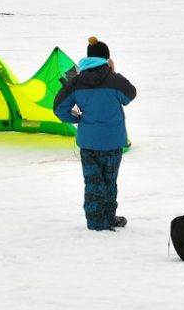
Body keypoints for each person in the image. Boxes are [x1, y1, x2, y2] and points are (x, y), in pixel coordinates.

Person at [54, 37, 137, 231]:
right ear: (107, 59)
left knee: (92, 182)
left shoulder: (76, 82)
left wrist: (77, 118)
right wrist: (113, 73)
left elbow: (59, 108)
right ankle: (107, 218)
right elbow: (130, 94)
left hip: (88, 142)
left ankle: (95, 221)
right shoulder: (114, 80)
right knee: (109, 180)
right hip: (113, 142)